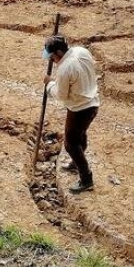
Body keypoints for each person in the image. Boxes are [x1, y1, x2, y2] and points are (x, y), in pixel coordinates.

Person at [42, 35, 101, 193]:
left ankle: (86, 179)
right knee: (80, 134)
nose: (52, 60)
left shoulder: (65, 68)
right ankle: (77, 162)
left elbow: (61, 95)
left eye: (53, 56)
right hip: (93, 103)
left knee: (70, 144)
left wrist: (50, 84)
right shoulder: (81, 51)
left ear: (59, 52)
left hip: (79, 109)